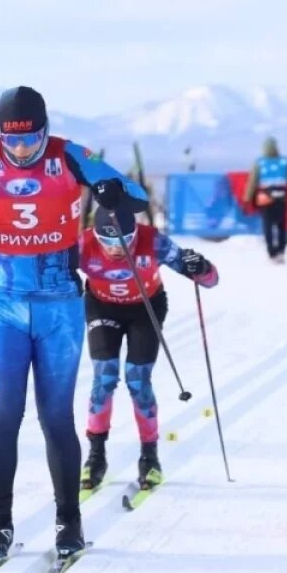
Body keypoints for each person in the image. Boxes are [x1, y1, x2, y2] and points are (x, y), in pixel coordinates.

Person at [0, 86, 148, 561]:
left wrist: (113, 191)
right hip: (3, 304)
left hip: (59, 305)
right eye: (11, 140)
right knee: (2, 418)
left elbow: (132, 194)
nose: (20, 150)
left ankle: (68, 521)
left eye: (30, 139)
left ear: (44, 129)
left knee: (56, 418)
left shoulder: (69, 155)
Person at [79, 207, 220, 493]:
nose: (117, 249)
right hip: (101, 306)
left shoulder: (154, 241)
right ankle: (95, 457)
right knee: (104, 378)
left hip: (146, 307)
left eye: (124, 241)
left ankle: (150, 456)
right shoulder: (82, 245)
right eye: (108, 242)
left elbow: (210, 281)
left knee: (138, 379)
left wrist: (201, 266)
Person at [244, 136, 287, 264]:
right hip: (281, 196)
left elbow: (253, 182)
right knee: (281, 225)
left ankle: (271, 252)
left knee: (267, 225)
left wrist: (247, 198)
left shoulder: (260, 162)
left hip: (264, 197)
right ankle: (281, 251)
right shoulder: (285, 162)